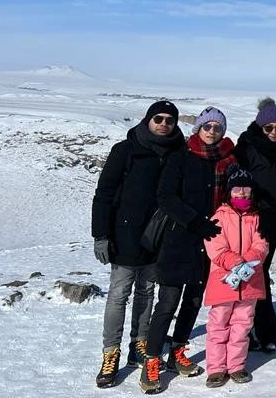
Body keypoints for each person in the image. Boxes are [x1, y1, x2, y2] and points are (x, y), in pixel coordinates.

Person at [92, 100, 185, 388]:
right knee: (119, 294)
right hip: (124, 236)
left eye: (170, 120)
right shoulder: (125, 150)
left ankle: (139, 345)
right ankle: (111, 354)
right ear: (148, 120)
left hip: (157, 237)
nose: (164, 124)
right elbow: (104, 192)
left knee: (146, 291)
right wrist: (101, 235)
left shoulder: (177, 153)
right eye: (158, 118)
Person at [142, 106, 232, 393]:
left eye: (217, 127)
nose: (212, 131)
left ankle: (177, 351)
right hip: (178, 239)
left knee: (193, 301)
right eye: (207, 126)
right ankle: (151, 360)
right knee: (168, 301)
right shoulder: (181, 157)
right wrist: (195, 222)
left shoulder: (227, 161)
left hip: (209, 244)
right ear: (199, 129)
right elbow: (165, 196)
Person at [202, 166, 269, 388]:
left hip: (249, 281)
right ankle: (216, 368)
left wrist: (250, 259)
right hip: (224, 281)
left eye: (246, 189)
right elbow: (215, 247)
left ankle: (237, 366)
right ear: (229, 191)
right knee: (219, 325)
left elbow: (262, 244)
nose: (241, 193)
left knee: (242, 324)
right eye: (237, 189)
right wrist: (235, 262)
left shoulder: (257, 217)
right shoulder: (219, 217)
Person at [232, 98, 276, 352]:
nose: (274, 133)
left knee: (260, 273)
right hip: (250, 219)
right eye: (269, 128)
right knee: (249, 273)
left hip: (273, 221)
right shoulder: (246, 146)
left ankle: (264, 333)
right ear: (260, 126)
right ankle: (248, 332)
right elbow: (236, 183)